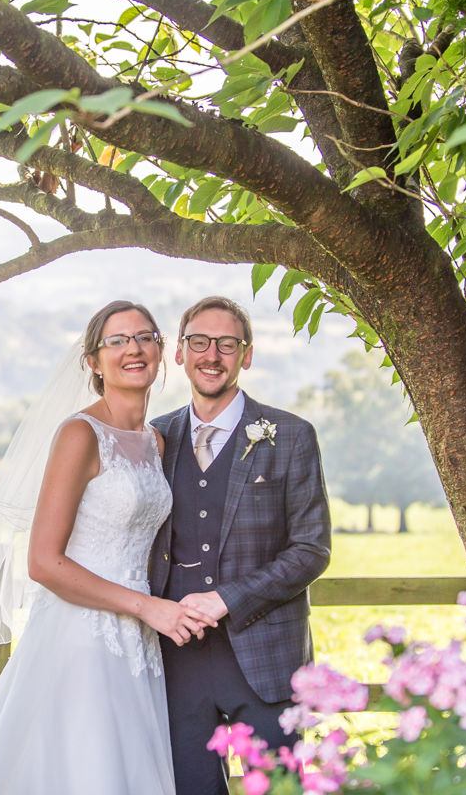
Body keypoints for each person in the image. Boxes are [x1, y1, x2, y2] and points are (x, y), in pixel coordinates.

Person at [0, 300, 213, 795]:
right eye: (117, 340)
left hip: (141, 643)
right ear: (92, 361)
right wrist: (148, 607)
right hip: (81, 637)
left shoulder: (156, 441)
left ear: (161, 352)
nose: (133, 349)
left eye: (145, 337)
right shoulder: (79, 434)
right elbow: (44, 562)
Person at [149, 296, 332, 795]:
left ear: (246, 355)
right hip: (175, 660)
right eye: (199, 342)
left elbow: (311, 549)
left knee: (278, 789)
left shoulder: (291, 435)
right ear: (181, 353)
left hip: (267, 659)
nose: (213, 355)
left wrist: (227, 599)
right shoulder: (155, 437)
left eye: (227, 344)